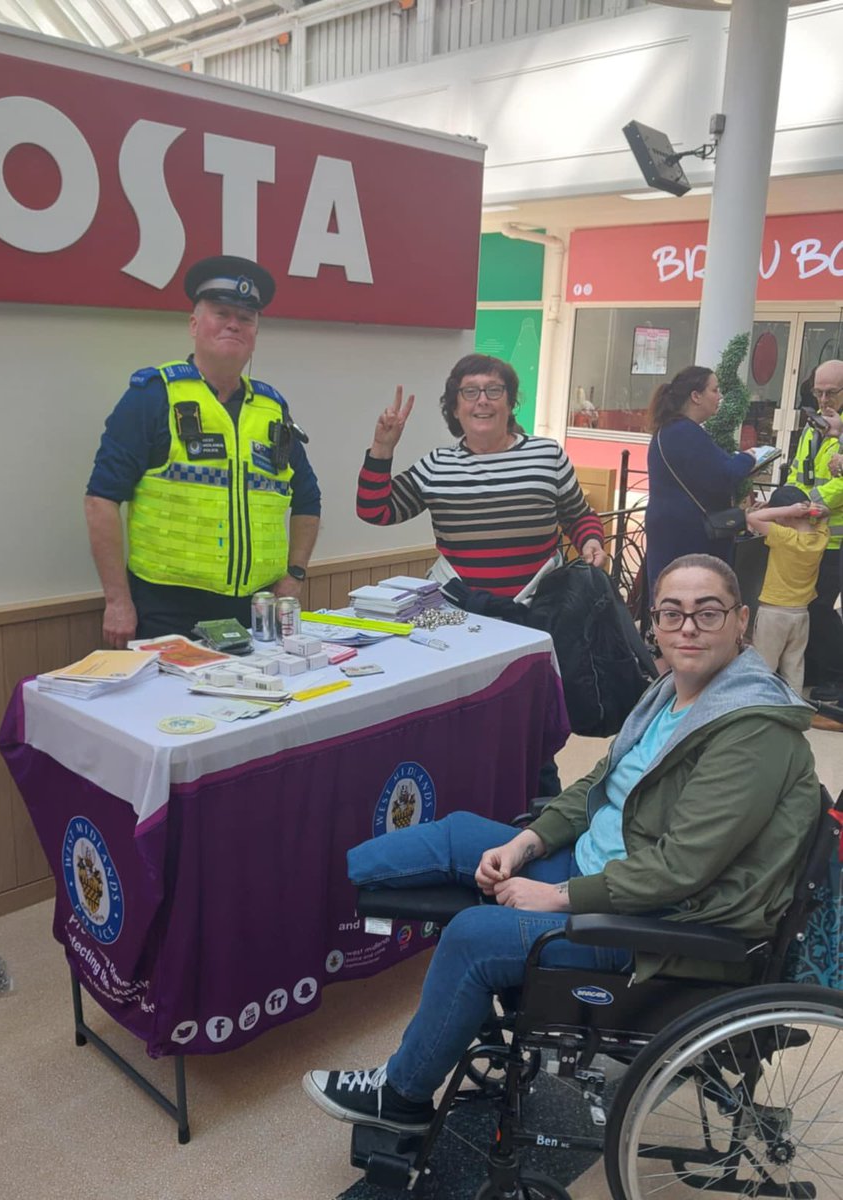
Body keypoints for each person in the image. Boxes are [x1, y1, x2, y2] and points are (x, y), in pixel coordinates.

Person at [303, 554, 819, 1134]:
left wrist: (559, 896)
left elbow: (682, 869)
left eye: (707, 612)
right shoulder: (674, 696)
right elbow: (598, 789)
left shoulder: (750, 730)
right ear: (653, 621)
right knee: (457, 835)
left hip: (660, 922)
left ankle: (401, 1098)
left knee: (472, 938)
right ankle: (309, 891)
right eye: (671, 613)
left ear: (741, 620)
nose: (688, 628)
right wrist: (526, 843)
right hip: (603, 868)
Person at [85, 255, 321, 647]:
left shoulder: (272, 409)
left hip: (257, 609)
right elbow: (101, 499)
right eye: (221, 312)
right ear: (194, 324)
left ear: (256, 332)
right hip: (167, 609)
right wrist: (117, 601)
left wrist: (295, 575)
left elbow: (308, 500)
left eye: (246, 317)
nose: (234, 323)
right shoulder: (154, 397)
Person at [356, 354, 607, 598]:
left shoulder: (547, 455)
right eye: (470, 392)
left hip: (542, 607)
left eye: (494, 390)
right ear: (455, 408)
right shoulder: (436, 465)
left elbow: (579, 517)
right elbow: (375, 511)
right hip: (459, 609)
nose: (483, 400)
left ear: (510, 404)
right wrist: (382, 448)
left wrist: (590, 541)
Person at [645, 366, 757, 602]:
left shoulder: (675, 430)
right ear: (696, 396)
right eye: (714, 390)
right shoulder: (684, 432)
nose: (719, 396)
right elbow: (723, 475)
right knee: (690, 602)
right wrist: (749, 458)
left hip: (675, 532)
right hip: (688, 536)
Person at [785, 360, 843, 699]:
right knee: (808, 606)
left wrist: (808, 503)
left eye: (831, 392)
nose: (823, 399)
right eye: (817, 392)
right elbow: (799, 471)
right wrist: (788, 500)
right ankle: (819, 668)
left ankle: (837, 675)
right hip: (809, 534)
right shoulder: (813, 426)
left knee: (821, 608)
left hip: (836, 539)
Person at [745, 486, 830, 696]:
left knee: (764, 664)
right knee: (794, 664)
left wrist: (784, 510)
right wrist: (800, 511)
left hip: (773, 613)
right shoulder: (820, 536)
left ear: (787, 516)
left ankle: (758, 703)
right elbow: (825, 514)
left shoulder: (784, 537)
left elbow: (753, 518)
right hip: (801, 613)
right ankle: (794, 703)